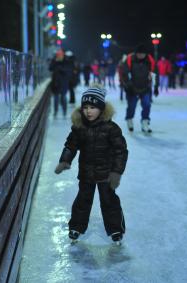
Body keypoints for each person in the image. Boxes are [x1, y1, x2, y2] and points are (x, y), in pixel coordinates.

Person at [54, 86, 128, 245]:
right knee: (82, 200)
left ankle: (116, 230)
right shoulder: (80, 127)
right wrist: (65, 160)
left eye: (93, 107)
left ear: (101, 108)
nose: (89, 111)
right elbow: (71, 145)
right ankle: (76, 227)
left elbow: (121, 151)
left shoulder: (111, 128)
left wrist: (116, 173)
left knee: (109, 201)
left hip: (106, 174)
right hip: (86, 173)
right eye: (86, 107)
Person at [121, 44, 159, 133]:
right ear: (136, 53)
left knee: (147, 105)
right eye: (139, 54)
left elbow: (155, 74)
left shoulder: (149, 60)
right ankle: (129, 119)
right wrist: (128, 85)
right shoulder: (130, 59)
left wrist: (156, 87)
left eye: (143, 54)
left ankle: (145, 121)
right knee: (131, 106)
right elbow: (124, 73)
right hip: (132, 88)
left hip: (145, 87)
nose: (141, 55)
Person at [49, 49, 71, 117]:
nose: (59, 56)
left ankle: (64, 111)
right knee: (56, 98)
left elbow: (68, 71)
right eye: (58, 55)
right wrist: (55, 62)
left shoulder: (66, 61)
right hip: (55, 82)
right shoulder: (54, 60)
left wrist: (59, 67)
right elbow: (50, 68)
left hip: (64, 82)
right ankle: (55, 112)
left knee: (63, 97)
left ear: (63, 55)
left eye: (60, 54)